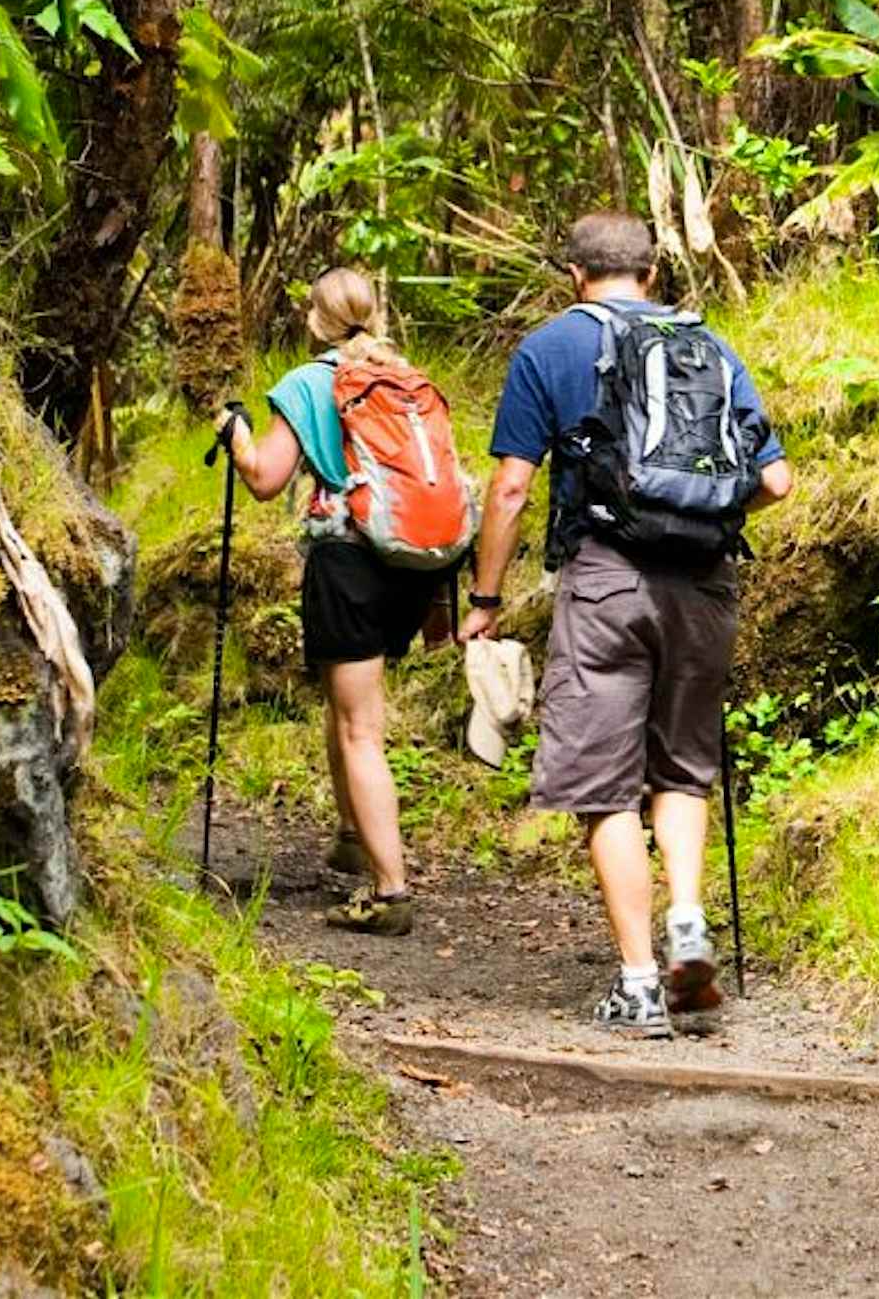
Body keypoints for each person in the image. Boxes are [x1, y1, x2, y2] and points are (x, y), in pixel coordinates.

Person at [462, 212, 792, 1037]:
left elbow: (510, 488)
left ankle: (641, 981)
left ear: (574, 274)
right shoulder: (707, 345)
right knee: (680, 768)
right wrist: (706, 511)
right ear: (651, 270)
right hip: (706, 584)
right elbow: (776, 480)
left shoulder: (549, 348)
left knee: (602, 784)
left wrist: (486, 598)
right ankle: (688, 922)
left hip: (608, 579)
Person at [216, 266, 456, 935]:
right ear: (375, 312)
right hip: (410, 561)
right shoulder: (408, 378)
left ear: (313, 319)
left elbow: (265, 477)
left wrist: (234, 428)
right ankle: (352, 833)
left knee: (360, 728)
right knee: (346, 702)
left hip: (347, 558)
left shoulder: (306, 382)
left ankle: (390, 891)